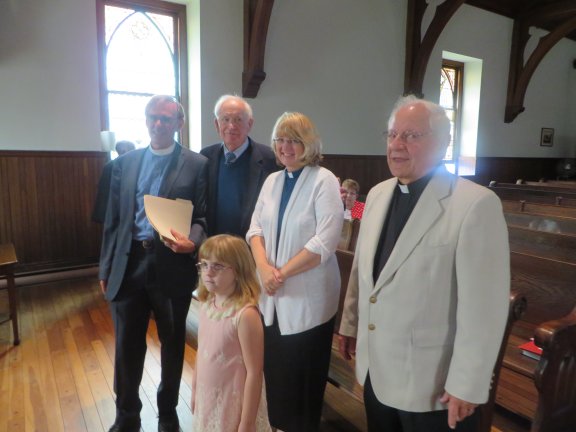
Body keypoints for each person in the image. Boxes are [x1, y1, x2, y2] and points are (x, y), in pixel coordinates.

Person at [338, 95, 510, 432]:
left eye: (411, 135)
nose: (396, 144)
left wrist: (468, 383)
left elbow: (484, 308)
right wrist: (350, 323)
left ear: (443, 143)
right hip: (376, 370)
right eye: (392, 134)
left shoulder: (475, 204)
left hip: (432, 385)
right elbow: (363, 271)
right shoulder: (377, 194)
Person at [98, 95, 208, 432]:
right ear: (146, 120)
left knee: (173, 344)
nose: (158, 124)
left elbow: (203, 217)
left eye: (166, 118)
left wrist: (193, 241)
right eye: (152, 117)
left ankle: (168, 412)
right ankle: (127, 414)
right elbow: (114, 220)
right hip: (129, 263)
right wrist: (105, 267)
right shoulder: (125, 163)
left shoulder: (197, 164)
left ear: (179, 123)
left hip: (172, 265)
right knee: (126, 345)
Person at [247, 112, 344, 431]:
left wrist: (281, 274)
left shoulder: (323, 180)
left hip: (308, 300)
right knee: (275, 374)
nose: (285, 146)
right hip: (271, 296)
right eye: (280, 139)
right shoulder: (272, 181)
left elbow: (325, 240)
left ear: (308, 144)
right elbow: (255, 229)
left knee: (302, 379)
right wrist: (264, 268)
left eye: (294, 140)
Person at [192, 234, 272, 432]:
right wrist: (194, 390)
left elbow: (254, 372)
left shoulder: (245, 315)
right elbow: (201, 352)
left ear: (238, 271)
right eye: (204, 264)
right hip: (208, 399)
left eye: (218, 266)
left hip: (232, 405)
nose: (208, 272)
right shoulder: (206, 304)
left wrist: (247, 422)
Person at [201, 95, 278, 237]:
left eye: (238, 120)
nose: (231, 126)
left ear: (249, 124)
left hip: (252, 245)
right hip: (214, 244)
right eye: (225, 119)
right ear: (217, 124)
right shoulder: (205, 157)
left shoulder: (271, 160)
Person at [92, 140, 136, 223]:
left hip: (111, 210)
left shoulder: (109, 165)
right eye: (132, 151)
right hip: (116, 210)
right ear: (123, 152)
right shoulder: (119, 166)